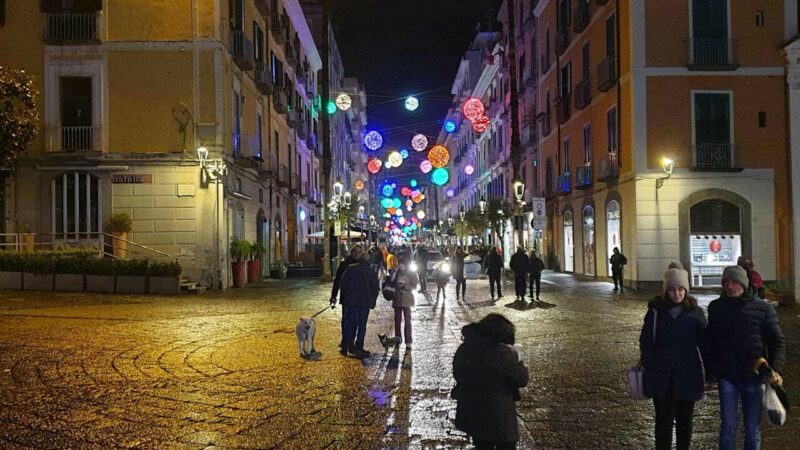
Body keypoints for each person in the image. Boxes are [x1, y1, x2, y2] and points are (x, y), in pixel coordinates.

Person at [704, 265, 786, 450]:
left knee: (752, 428)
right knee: (728, 427)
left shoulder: (763, 308)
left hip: (754, 376)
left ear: (744, 283)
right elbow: (710, 342)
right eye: (726, 282)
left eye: (734, 282)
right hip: (728, 376)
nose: (730, 286)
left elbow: (778, 341)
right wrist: (711, 372)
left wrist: (776, 369)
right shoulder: (716, 308)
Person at [639, 267, 706, 450]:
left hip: (687, 374)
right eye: (672, 289)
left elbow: (705, 344)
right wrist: (651, 364)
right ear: (666, 290)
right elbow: (646, 342)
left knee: (685, 422)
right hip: (661, 376)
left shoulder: (696, 313)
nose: (676, 293)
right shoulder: (655, 312)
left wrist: (710, 372)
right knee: (663, 422)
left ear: (686, 290)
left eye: (680, 289)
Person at [453, 313, 529, 450]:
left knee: (481, 445)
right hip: (499, 414)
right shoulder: (502, 354)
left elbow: (458, 373)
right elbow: (522, 379)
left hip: (474, 411)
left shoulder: (466, 348)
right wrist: (518, 362)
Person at [335, 245, 380, 359]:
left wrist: (344, 298)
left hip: (351, 302)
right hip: (364, 304)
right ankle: (359, 348)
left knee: (349, 324)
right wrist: (372, 300)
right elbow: (375, 288)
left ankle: (345, 347)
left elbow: (343, 284)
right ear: (368, 260)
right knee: (361, 326)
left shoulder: (350, 268)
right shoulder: (370, 271)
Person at [330, 245, 362, 354]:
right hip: (347, 297)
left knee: (355, 321)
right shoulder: (345, 264)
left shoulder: (362, 265)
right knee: (346, 321)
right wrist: (334, 296)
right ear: (351, 252)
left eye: (359, 252)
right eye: (355, 252)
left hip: (358, 298)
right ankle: (345, 342)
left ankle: (350, 342)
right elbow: (337, 281)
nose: (357, 254)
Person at [393, 253, 418, 351]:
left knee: (408, 321)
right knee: (397, 321)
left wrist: (405, 286)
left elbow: (414, 286)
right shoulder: (397, 271)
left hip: (407, 300)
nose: (401, 264)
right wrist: (394, 272)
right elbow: (391, 281)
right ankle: (397, 339)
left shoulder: (412, 273)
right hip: (397, 299)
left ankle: (408, 341)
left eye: (403, 262)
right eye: (400, 262)